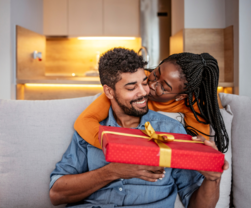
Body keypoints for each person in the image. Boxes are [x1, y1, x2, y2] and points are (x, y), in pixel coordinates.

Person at [49, 48, 228, 208]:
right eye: (131, 87)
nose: (145, 91)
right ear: (109, 92)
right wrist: (112, 171)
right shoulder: (91, 130)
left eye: (143, 82)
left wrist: (213, 176)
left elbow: (195, 202)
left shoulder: (173, 130)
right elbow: (56, 194)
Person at [74, 51, 229, 153]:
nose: (150, 85)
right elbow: (84, 121)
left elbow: (199, 149)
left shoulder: (193, 104)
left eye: (163, 87)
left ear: (181, 96)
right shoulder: (139, 79)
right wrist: (117, 146)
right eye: (156, 73)